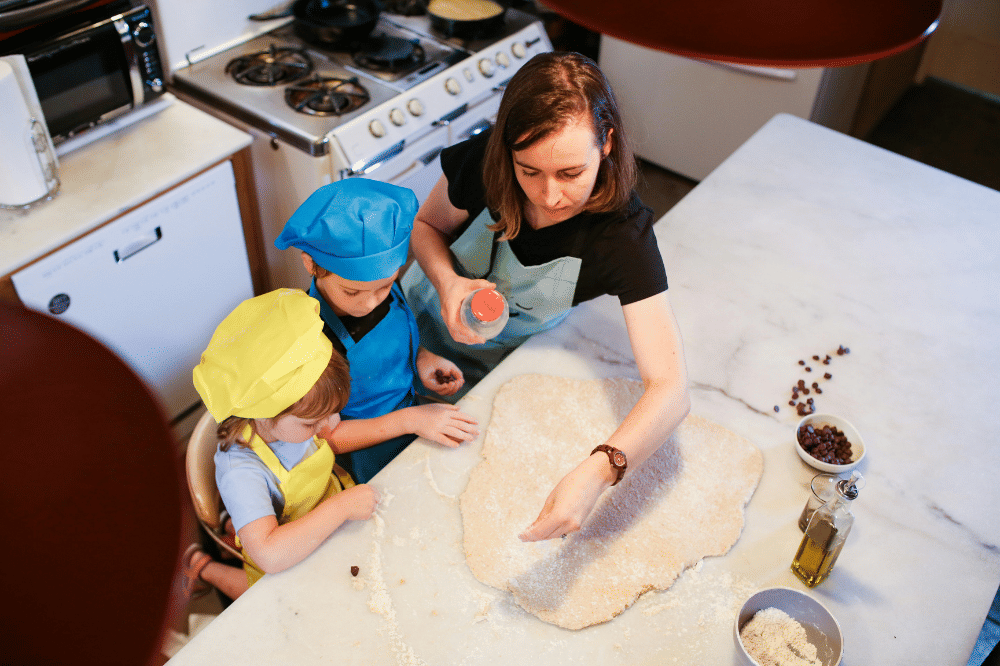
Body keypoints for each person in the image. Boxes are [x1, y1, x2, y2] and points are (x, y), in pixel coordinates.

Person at [401, 52, 691, 541]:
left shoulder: (621, 234)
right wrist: (449, 282)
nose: (548, 195)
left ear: (607, 144)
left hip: (494, 372)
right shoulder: (485, 160)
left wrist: (600, 468)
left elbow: (671, 387)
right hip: (404, 333)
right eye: (528, 171)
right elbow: (425, 225)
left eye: (571, 173)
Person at [275, 178, 479, 483]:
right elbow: (326, 439)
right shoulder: (312, 341)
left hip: (412, 422)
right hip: (362, 458)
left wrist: (421, 360)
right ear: (312, 264)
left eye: (384, 287)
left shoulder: (382, 289)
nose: (370, 303)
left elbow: (393, 336)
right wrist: (409, 420)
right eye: (352, 292)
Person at [182, 288, 380, 599]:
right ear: (263, 414)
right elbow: (270, 555)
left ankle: (238, 521)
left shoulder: (295, 420)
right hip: (281, 558)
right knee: (256, 596)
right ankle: (202, 565)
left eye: (333, 412)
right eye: (313, 423)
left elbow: (333, 436)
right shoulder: (240, 472)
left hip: (328, 522)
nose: (332, 425)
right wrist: (341, 508)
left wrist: (413, 421)